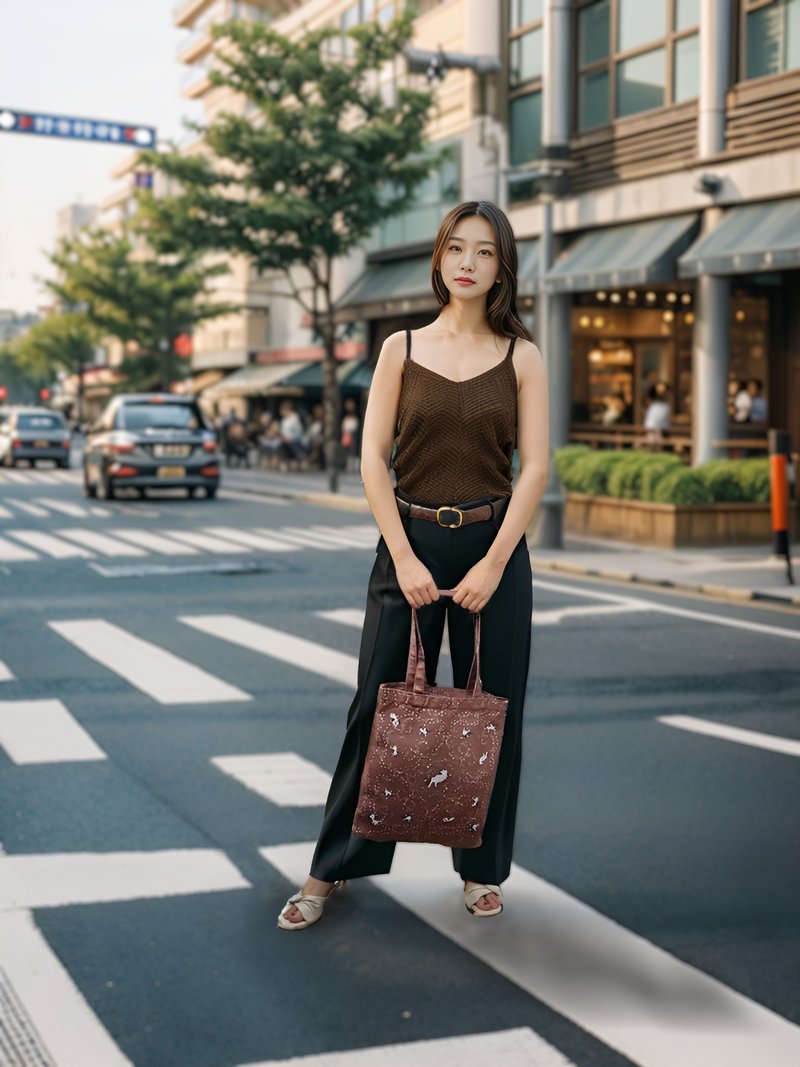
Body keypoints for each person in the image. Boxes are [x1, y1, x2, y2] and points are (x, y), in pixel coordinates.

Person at [277, 200, 549, 930]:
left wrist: (495, 563)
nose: (468, 262)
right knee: (374, 707)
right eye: (456, 248)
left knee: (494, 712)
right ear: (438, 258)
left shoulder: (521, 355)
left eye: (484, 252)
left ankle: (481, 870)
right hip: (410, 543)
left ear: (502, 267)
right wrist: (402, 553)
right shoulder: (399, 347)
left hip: (494, 552)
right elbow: (372, 457)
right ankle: (331, 868)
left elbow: (535, 469)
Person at [643, 383, 671, 447]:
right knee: (652, 444)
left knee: (659, 445)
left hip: (661, 429)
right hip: (653, 429)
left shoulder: (665, 405)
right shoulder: (654, 405)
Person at [340, 396, 360, 472]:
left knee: (353, 451)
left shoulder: (357, 416)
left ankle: (353, 466)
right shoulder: (344, 416)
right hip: (346, 436)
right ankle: (348, 466)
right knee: (347, 452)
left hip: (354, 436)